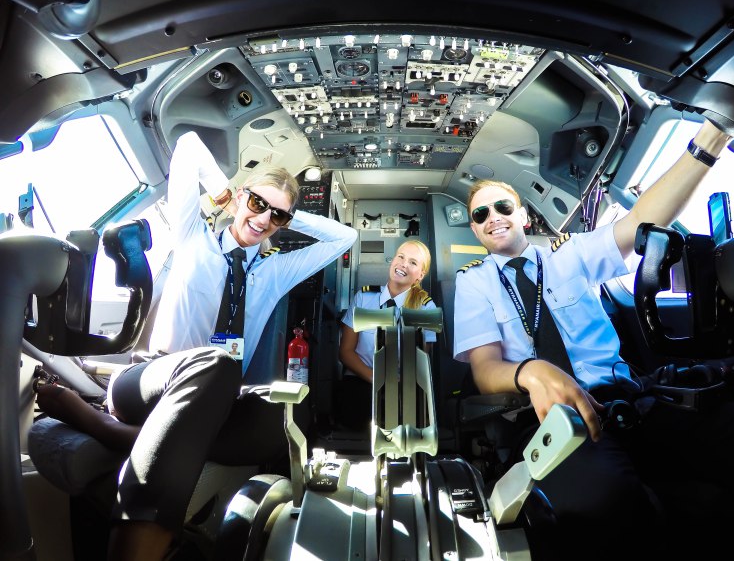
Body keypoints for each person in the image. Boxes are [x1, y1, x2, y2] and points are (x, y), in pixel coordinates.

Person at [36, 130, 357, 561]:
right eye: (257, 203)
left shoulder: (275, 271)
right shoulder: (193, 237)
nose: (263, 219)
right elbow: (187, 146)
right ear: (240, 198)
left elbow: (344, 239)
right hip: (148, 380)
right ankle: (135, 540)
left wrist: (283, 214)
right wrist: (226, 194)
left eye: (276, 216)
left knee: (285, 414)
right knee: (216, 364)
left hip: (217, 401)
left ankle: (118, 434)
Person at [453, 120, 734, 560]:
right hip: (550, 419)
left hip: (628, 398)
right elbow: (484, 370)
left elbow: (640, 220)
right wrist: (531, 371)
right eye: (481, 215)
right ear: (476, 230)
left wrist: (712, 138)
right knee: (604, 505)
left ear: (524, 215)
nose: (492, 217)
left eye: (502, 207)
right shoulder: (472, 283)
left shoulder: (570, 254)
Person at [338, 240, 436, 431]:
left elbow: (420, 360)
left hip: (401, 386)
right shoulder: (363, 298)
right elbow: (345, 352)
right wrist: (376, 379)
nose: (403, 264)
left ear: (420, 275)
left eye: (413, 262)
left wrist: (394, 384)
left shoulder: (426, 307)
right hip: (361, 380)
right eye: (401, 257)